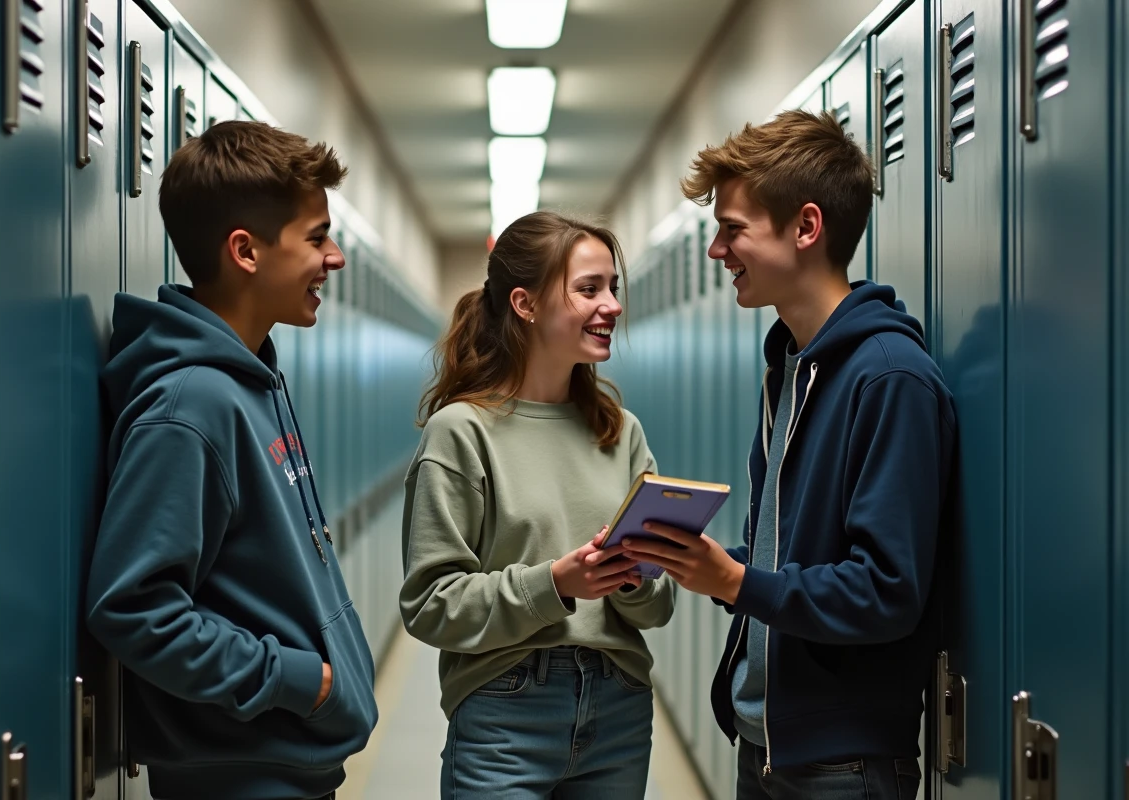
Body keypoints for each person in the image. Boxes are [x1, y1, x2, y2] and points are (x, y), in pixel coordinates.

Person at [619, 110, 956, 799]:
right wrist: (700, 563)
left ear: (806, 228)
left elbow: (885, 590)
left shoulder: (888, 377)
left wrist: (738, 583)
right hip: (770, 744)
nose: (717, 251)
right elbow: (794, 565)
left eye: (733, 229)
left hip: (844, 766)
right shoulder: (793, 368)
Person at [85, 121, 378, 800]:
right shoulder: (191, 405)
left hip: (278, 762)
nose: (334, 257)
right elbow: (133, 608)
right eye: (315, 237)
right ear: (246, 251)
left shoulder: (249, 380)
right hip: (242, 773)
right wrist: (302, 681)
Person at [400, 211, 676, 799]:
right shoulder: (462, 432)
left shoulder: (620, 432)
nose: (613, 306)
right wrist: (555, 582)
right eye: (589, 289)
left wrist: (632, 580)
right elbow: (430, 604)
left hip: (619, 708)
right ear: (525, 305)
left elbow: (658, 607)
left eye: (613, 288)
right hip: (507, 709)